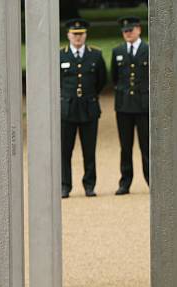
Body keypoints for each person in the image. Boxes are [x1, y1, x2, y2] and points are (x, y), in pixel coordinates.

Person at [60, 18, 107, 198]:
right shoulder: (61, 55)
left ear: (86, 35)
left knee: (89, 149)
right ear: (68, 35)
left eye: (81, 34)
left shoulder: (95, 55)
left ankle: (89, 184)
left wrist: (90, 95)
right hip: (68, 110)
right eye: (74, 34)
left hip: (89, 109)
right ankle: (65, 185)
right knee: (65, 150)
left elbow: (101, 80)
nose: (78, 38)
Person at [111, 16, 150, 195]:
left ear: (139, 30)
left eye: (131, 30)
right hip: (124, 106)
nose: (128, 33)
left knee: (147, 146)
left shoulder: (148, 50)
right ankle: (125, 182)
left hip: (143, 106)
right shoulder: (117, 51)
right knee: (125, 146)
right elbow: (114, 78)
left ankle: (152, 180)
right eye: (125, 31)